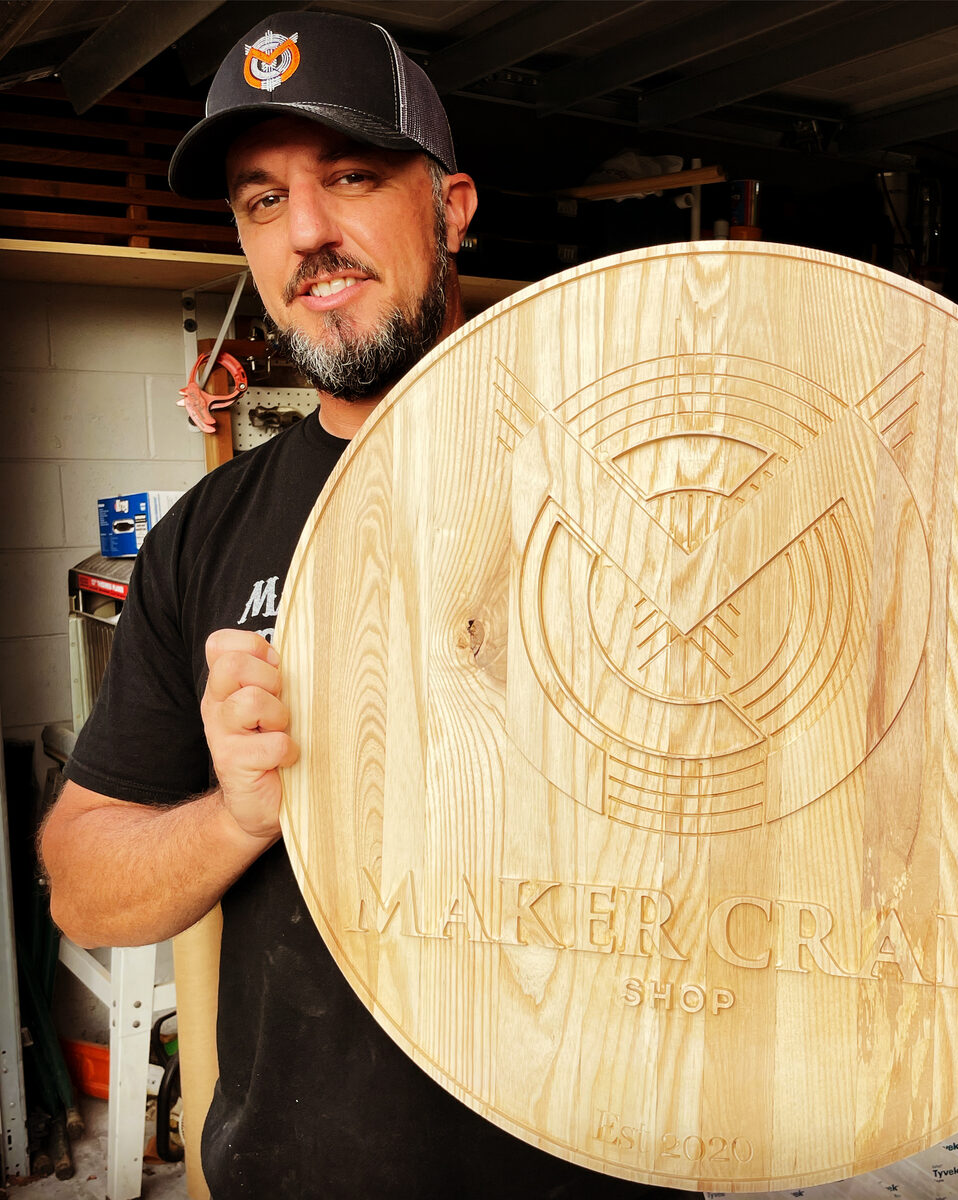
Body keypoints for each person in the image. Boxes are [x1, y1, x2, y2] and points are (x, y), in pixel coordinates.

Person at [39, 10, 677, 1199]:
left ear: (453, 203)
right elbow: (85, 880)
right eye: (262, 200)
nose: (311, 236)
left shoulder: (635, 475)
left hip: (602, 1163)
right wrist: (234, 816)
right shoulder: (202, 542)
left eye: (351, 176)